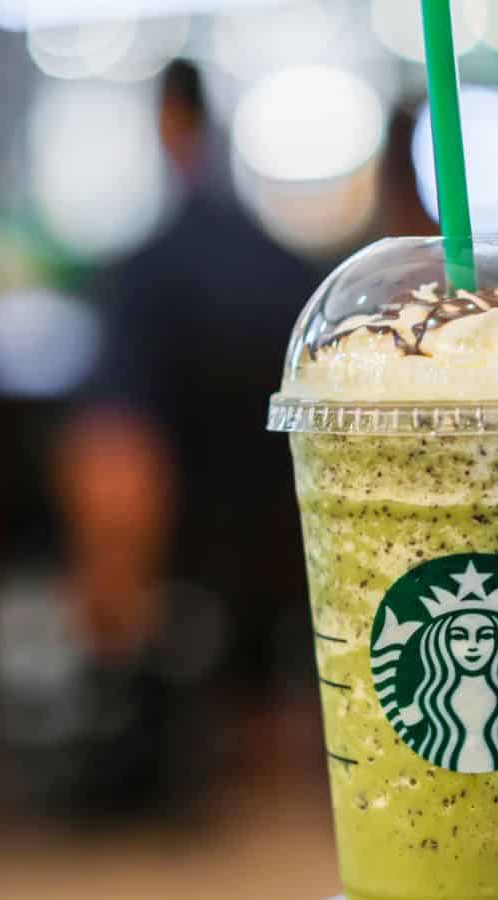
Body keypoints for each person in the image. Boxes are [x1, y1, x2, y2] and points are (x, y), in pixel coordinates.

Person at [56, 61, 317, 811]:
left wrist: (109, 592)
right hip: (291, 547)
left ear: (167, 124)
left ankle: (134, 711)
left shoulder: (149, 271)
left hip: (183, 544)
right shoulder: (290, 269)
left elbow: (115, 450)